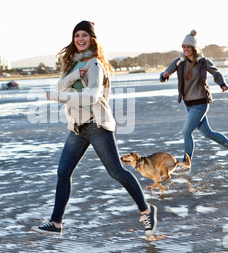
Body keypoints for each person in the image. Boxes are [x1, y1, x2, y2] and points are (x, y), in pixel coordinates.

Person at [31, 21, 157, 237]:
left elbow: (91, 96)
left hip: (97, 125)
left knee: (116, 171)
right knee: (63, 172)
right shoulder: (71, 64)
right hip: (78, 128)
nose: (80, 39)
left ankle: (147, 211)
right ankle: (56, 223)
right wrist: (73, 76)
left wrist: (60, 96)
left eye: (85, 35)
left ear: (92, 39)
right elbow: (59, 87)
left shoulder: (96, 66)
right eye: (76, 35)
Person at [160, 30, 228, 167]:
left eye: (188, 47)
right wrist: (164, 76)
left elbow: (216, 73)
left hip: (201, 103)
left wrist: (222, 84)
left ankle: (186, 162)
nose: (186, 50)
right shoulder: (179, 62)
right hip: (189, 104)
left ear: (194, 48)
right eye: (184, 47)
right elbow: (165, 74)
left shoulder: (203, 62)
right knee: (207, 133)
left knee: (186, 132)